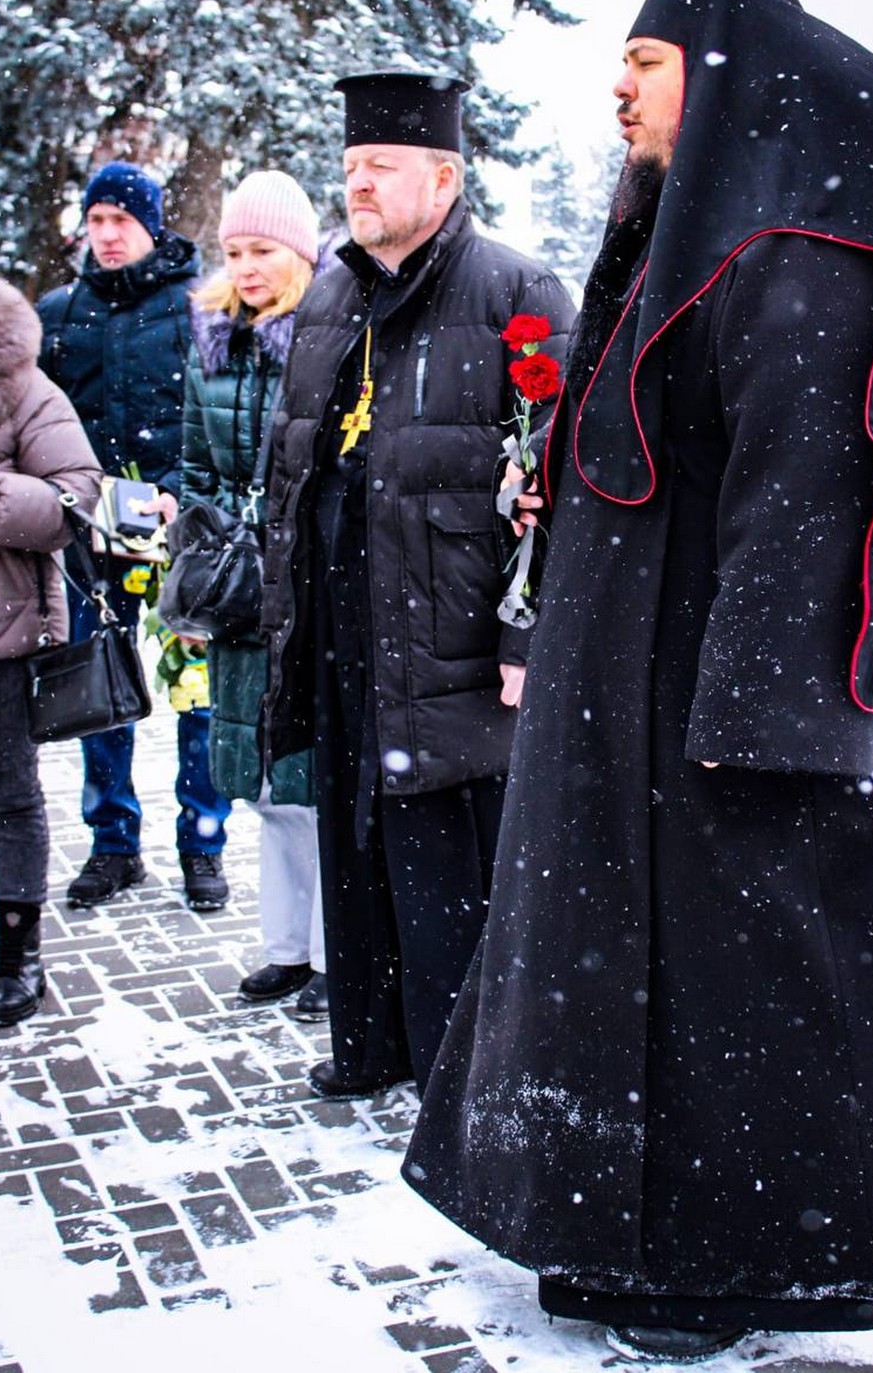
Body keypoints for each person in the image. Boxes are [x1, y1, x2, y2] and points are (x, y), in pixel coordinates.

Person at [402, 0, 873, 1362]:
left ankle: (718, 1260)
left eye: (647, 61)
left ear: (730, 75)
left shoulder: (792, 261)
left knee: (740, 999)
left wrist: (763, 728)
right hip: (647, 696)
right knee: (664, 992)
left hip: (731, 721)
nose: (619, 86)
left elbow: (810, 489)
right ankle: (638, 1243)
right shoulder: (712, 238)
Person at [262, 71, 576, 1099]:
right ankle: (372, 1045)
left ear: (443, 177)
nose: (357, 185)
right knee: (358, 846)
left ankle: (461, 1081)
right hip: (346, 615)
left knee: (450, 867)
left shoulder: (517, 295)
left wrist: (528, 640)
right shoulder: (329, 295)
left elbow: (562, 485)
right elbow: (293, 465)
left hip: (458, 635)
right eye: (350, 168)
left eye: (380, 167)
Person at [38, 161, 232, 913]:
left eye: (123, 219)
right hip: (90, 539)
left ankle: (203, 843)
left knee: (197, 694)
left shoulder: (198, 308)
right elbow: (43, 426)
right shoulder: (60, 313)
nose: (109, 235)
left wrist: (178, 494)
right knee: (98, 690)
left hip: (179, 534)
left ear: (151, 224)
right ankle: (113, 844)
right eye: (98, 221)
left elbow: (216, 420)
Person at [180, 169, 327, 1018]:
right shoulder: (209, 338)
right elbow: (197, 464)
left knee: (312, 778)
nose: (246, 266)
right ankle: (284, 951)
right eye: (234, 251)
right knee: (265, 783)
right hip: (241, 584)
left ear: (300, 254)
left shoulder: (325, 332)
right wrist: (201, 571)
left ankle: (328, 948)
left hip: (305, 577)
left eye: (263, 250)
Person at [0, 276, 102, 1025]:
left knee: (9, 794)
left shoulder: (20, 384)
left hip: (1, 633)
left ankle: (19, 953)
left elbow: (76, 494)